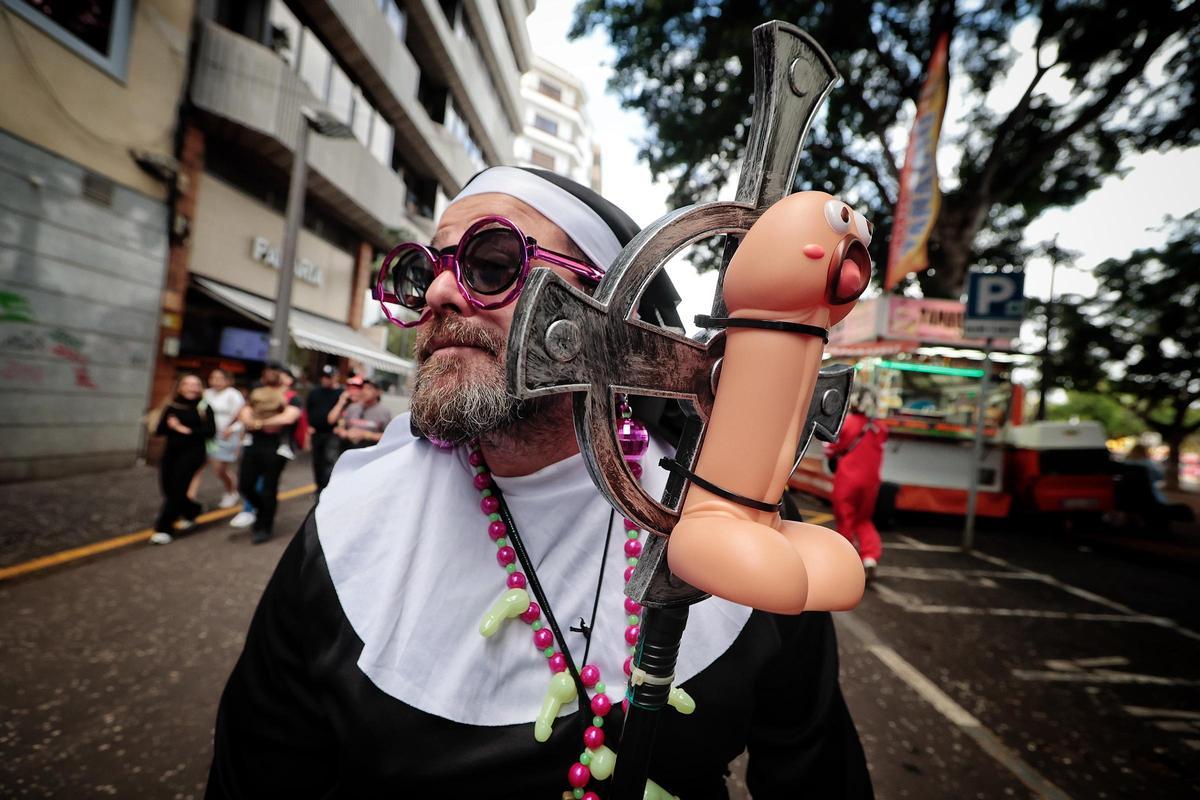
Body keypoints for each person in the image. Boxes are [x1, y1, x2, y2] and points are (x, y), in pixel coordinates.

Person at [207, 167, 872, 798]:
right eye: (422, 274)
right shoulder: (349, 529)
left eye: (490, 264)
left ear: (610, 315)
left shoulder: (733, 512)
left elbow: (815, 772)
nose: (437, 294)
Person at [233, 362, 301, 545]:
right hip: (255, 443)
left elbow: (288, 417)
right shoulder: (257, 392)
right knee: (244, 484)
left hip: (277, 446)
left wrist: (258, 423)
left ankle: (264, 527)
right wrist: (257, 424)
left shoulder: (291, 397)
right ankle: (262, 512)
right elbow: (244, 413)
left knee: (269, 488)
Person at [825, 386, 888, 581]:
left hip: (847, 479)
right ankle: (870, 557)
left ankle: (846, 561)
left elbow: (830, 448)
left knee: (845, 518)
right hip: (871, 483)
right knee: (864, 519)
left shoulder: (846, 423)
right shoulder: (881, 428)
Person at [150, 374, 215, 545]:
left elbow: (210, 431)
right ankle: (193, 510)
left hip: (193, 453)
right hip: (171, 453)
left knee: (177, 489)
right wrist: (171, 427)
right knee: (168, 489)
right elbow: (159, 429)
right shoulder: (172, 406)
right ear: (180, 387)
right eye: (188, 384)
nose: (192, 387)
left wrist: (184, 429)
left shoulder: (203, 407)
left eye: (196, 384)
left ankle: (163, 528)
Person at [195, 368, 244, 509]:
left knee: (219, 469)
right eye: (213, 378)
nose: (216, 381)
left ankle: (231, 491)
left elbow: (242, 417)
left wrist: (232, 430)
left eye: (220, 378)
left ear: (228, 380)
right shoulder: (206, 393)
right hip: (207, 435)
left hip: (225, 436)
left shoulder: (234, 395)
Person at [305, 365, 344, 493]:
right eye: (324, 377)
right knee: (317, 462)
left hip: (332, 434)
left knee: (329, 462)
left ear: (335, 377)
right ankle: (319, 488)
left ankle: (326, 489)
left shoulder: (341, 394)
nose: (325, 380)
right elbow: (308, 410)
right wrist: (309, 427)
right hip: (316, 432)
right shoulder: (315, 392)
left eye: (329, 377)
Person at [333, 377, 392, 451]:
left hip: (369, 453)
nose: (364, 391)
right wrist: (342, 431)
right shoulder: (353, 407)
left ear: (378, 392)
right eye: (363, 388)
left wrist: (365, 434)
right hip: (347, 450)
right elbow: (341, 421)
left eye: (369, 388)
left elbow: (389, 436)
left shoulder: (384, 412)